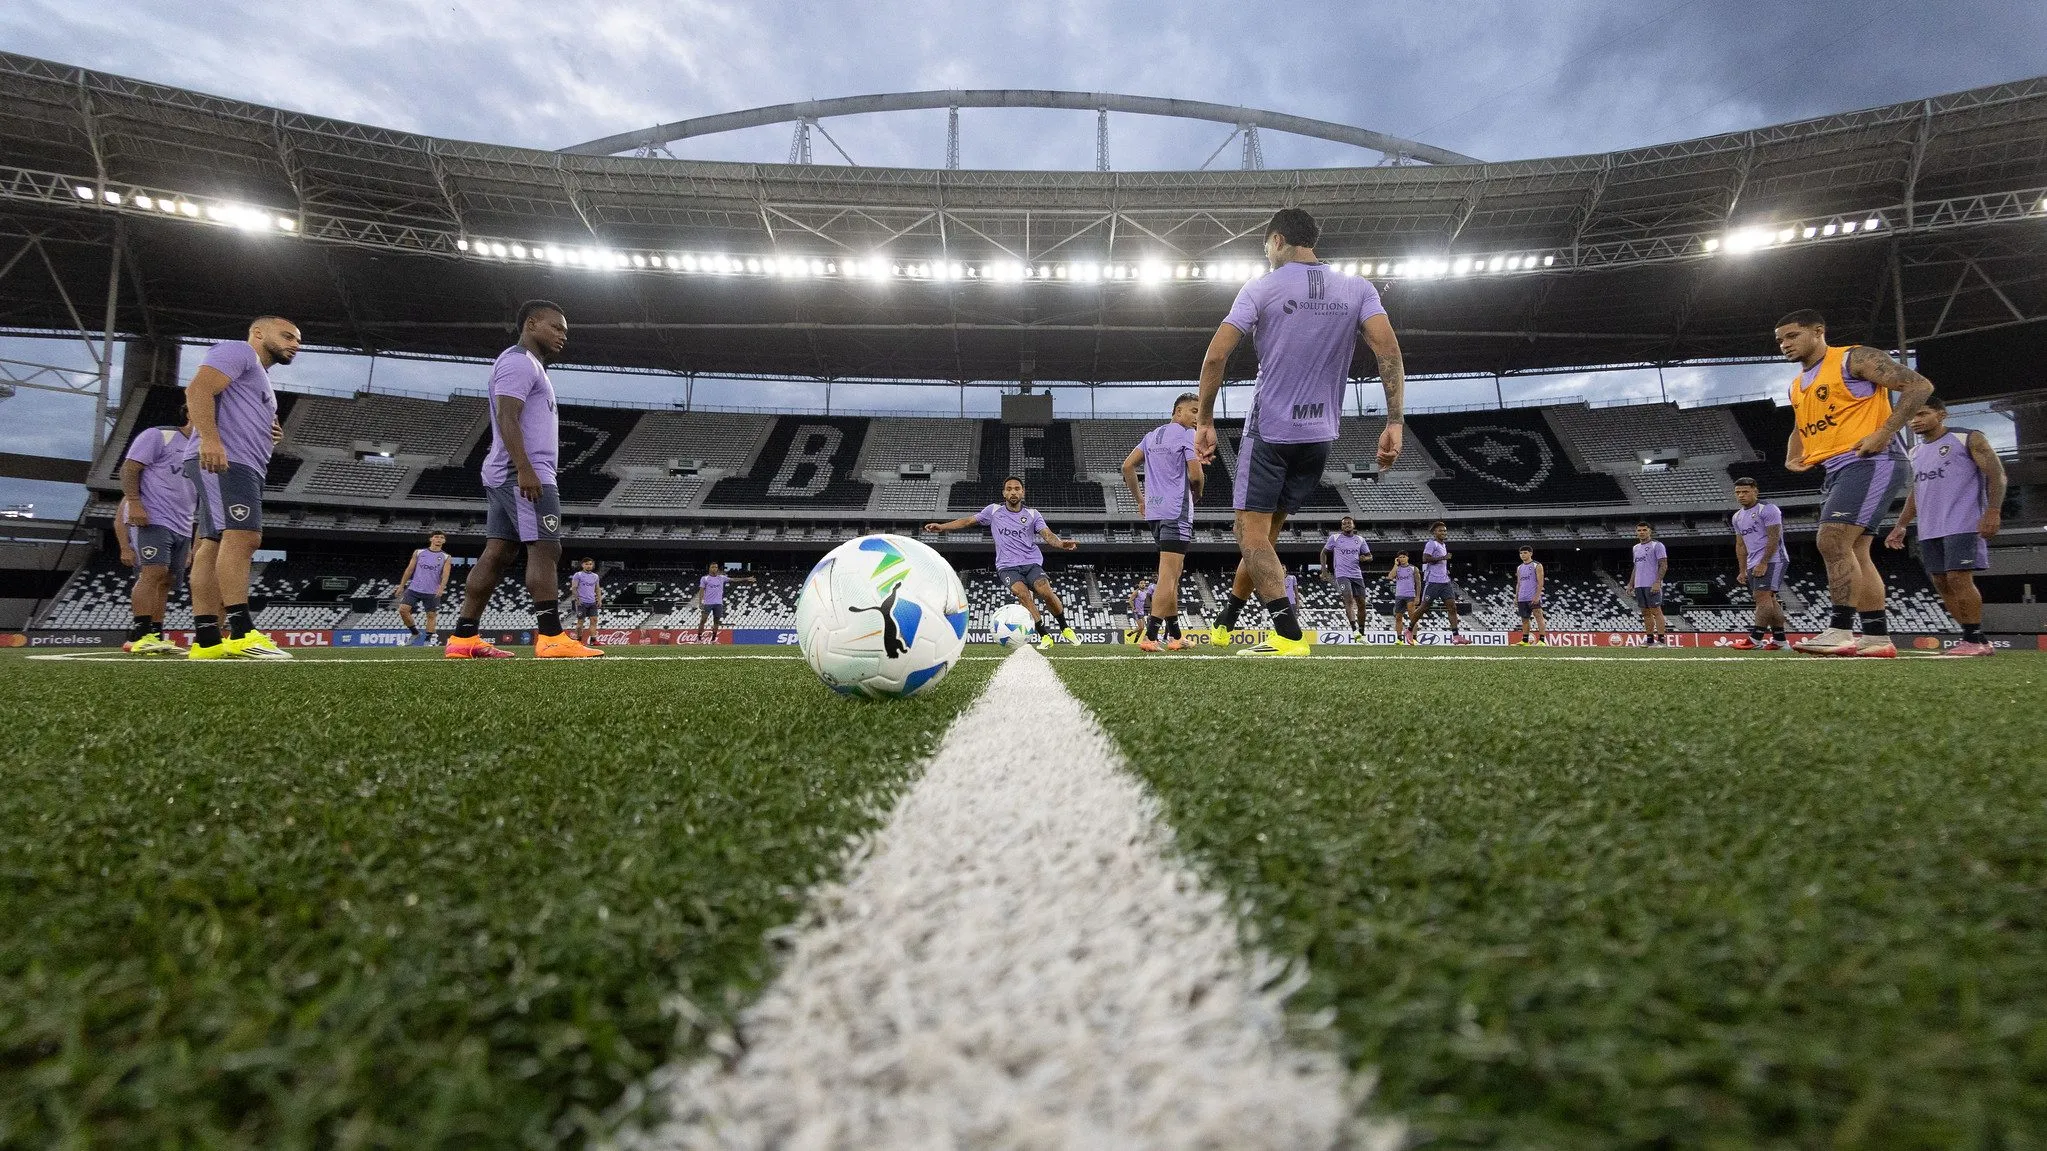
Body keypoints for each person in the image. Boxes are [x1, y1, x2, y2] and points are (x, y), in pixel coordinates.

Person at [1196, 207, 1405, 657]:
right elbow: (1387, 350)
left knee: (1249, 537)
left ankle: (1288, 634)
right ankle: (1226, 618)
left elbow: (1215, 358)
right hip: (1321, 435)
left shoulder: (1261, 287)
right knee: (1265, 540)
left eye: (1265, 246)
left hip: (1270, 431)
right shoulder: (1357, 288)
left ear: (1276, 241)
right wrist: (1394, 421)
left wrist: (1205, 420)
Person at [446, 300, 601, 659]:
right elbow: (507, 416)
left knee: (498, 553)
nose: (563, 336)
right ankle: (550, 637)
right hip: (522, 473)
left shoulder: (531, 365)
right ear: (532, 324)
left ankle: (463, 638)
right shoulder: (518, 361)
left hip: (511, 472)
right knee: (546, 548)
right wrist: (526, 469)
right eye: (556, 327)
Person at [1774, 309, 1932, 658]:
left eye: (1792, 336)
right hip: (1837, 467)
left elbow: (1919, 386)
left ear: (1818, 331)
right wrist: (1792, 455)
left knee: (1831, 540)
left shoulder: (1854, 358)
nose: (1784, 344)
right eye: (1780, 340)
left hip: (1872, 460)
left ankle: (1840, 629)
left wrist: (1885, 432)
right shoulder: (1797, 385)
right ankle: (1876, 638)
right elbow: (1800, 425)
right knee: (1857, 549)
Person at [184, 316, 296, 660]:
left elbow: (235, 407)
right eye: (288, 336)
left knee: (213, 543)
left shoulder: (260, 377)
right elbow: (198, 389)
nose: (296, 345)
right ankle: (242, 631)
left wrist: (270, 431)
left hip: (239, 462)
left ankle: (206, 639)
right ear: (258, 333)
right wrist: (211, 441)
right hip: (228, 461)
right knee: (245, 537)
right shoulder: (238, 351)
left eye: (299, 341)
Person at [1886, 396, 2006, 657]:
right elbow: (1917, 492)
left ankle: (1974, 639)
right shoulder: (1915, 452)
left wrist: (1993, 511)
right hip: (1930, 528)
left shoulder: (1968, 438)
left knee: (1958, 578)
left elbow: (1997, 474)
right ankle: (1974, 639)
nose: (1915, 421)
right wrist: (1902, 525)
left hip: (1963, 522)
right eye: (1912, 417)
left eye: (1922, 414)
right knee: (1941, 582)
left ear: (1941, 414)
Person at [925, 476, 1080, 651]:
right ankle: (1044, 635)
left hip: (1031, 562)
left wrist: (1060, 543)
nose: (1013, 492)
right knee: (1022, 594)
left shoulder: (1033, 514)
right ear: (1004, 493)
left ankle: (1065, 628)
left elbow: (1047, 534)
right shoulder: (993, 511)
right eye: (1009, 489)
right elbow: (968, 521)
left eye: (1017, 488)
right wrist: (942, 526)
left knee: (1045, 591)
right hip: (1007, 566)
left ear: (1023, 492)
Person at [1122, 392, 1204, 652]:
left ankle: (1176, 636)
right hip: (1176, 512)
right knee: (1169, 575)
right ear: (1177, 411)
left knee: (1173, 576)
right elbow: (1195, 474)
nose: (1197, 418)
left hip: (1155, 513)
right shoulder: (1186, 435)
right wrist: (1198, 492)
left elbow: (1127, 467)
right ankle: (1151, 634)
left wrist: (1140, 500)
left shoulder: (1152, 436)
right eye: (1193, 411)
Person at [116, 420, 196, 655]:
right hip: (154, 517)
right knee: (153, 572)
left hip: (183, 524)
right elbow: (129, 468)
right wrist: (134, 502)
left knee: (166, 580)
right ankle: (140, 635)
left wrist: (190, 541)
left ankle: (155, 634)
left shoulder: (203, 447)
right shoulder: (160, 435)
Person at [1729, 479, 1790, 650]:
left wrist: (1763, 562)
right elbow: (1740, 544)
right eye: (1738, 492)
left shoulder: (1768, 509)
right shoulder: (1737, 517)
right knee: (1770, 599)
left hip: (1773, 559)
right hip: (1752, 562)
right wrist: (1742, 570)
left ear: (1755, 491)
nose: (1741, 495)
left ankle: (1755, 639)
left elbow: (1774, 537)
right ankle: (1780, 641)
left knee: (1761, 597)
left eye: (1745, 491)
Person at [1408, 522, 1468, 644]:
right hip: (1433, 581)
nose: (1443, 533)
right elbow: (1425, 559)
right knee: (1424, 607)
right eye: (1440, 531)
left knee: (1452, 607)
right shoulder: (1431, 544)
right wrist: (1443, 558)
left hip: (1445, 581)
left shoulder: (1443, 545)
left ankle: (1456, 636)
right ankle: (1409, 630)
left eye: (1445, 531)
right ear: (1434, 532)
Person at [395, 532, 452, 646]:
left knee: (431, 615)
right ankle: (415, 633)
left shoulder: (446, 557)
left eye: (442, 538)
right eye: (436, 537)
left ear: (444, 541)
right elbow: (409, 569)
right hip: (414, 588)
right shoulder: (419, 552)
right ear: (431, 538)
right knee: (403, 610)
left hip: (432, 591)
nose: (439, 539)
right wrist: (402, 585)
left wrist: (441, 588)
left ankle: (427, 640)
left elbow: (445, 574)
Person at [1322, 516, 1374, 635]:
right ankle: (1354, 630)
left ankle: (1361, 633)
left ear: (1353, 525)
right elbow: (1323, 553)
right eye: (1344, 523)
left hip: (1357, 574)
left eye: (1349, 523)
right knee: (1349, 599)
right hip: (1342, 574)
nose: (1347, 525)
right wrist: (1324, 570)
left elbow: (1370, 556)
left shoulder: (1360, 540)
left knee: (1362, 603)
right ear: (1341, 526)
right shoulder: (1334, 538)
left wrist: (1365, 558)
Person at [692, 561, 754, 642]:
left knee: (716, 621)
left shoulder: (721, 577)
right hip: (708, 603)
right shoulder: (704, 578)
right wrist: (700, 602)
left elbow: (733, 579)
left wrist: (746, 578)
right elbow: (701, 590)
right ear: (709, 569)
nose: (714, 569)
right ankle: (699, 638)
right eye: (713, 567)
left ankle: (713, 639)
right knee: (703, 620)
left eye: (716, 567)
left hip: (718, 603)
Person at [1631, 523, 1670, 645]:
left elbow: (1663, 564)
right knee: (1645, 612)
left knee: (1656, 611)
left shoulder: (1657, 545)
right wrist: (1631, 583)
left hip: (1651, 583)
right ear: (1636, 532)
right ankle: (1649, 640)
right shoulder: (1636, 548)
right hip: (1639, 584)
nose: (1641, 532)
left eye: (1644, 530)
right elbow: (1636, 567)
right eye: (1639, 530)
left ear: (1650, 531)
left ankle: (1662, 640)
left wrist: (1657, 582)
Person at [1513, 546, 1549, 646]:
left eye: (1525, 553)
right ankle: (1525, 641)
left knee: (1539, 617)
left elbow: (1540, 582)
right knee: (1524, 619)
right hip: (1522, 597)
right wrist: (1516, 597)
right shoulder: (1519, 567)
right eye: (1521, 553)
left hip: (1533, 596)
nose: (1522, 555)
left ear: (1530, 553)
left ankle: (1542, 641)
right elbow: (1519, 583)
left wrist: (1537, 596)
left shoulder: (1536, 565)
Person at [570, 557, 604, 647]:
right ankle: (579, 640)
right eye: (586, 564)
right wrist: (577, 599)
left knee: (594, 620)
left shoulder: (595, 576)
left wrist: (599, 599)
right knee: (580, 621)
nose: (588, 566)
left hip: (592, 601)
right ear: (582, 565)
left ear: (592, 565)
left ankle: (593, 640)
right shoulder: (578, 575)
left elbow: (597, 588)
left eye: (590, 564)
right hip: (582, 602)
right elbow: (574, 587)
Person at [1387, 552, 1419, 643]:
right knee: (1398, 617)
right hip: (1399, 595)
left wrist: (1417, 596)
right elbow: (1390, 577)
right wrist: (1395, 564)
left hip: (1410, 595)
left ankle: (1414, 638)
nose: (1402, 559)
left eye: (1403, 557)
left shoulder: (1413, 568)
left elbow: (1418, 583)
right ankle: (1399, 638)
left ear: (1407, 558)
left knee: (1413, 617)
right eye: (1400, 557)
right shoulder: (1397, 568)